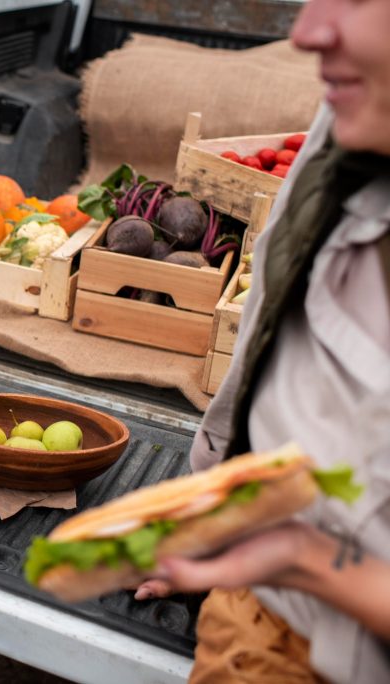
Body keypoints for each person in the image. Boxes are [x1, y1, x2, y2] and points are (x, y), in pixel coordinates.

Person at [133, 1, 390, 681]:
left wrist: (307, 560)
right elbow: (271, 340)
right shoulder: (352, 125)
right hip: (258, 614)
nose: (305, 33)